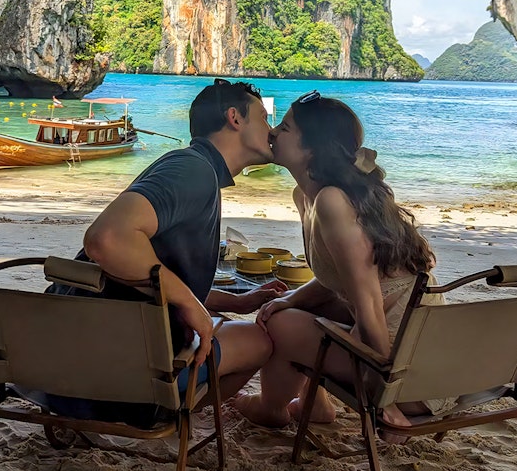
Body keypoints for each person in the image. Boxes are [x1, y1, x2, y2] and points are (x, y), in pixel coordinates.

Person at [43, 78, 286, 426]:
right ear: (235, 118)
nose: (272, 130)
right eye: (264, 118)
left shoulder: (194, 168)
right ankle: (167, 411)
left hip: (64, 364)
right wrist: (191, 305)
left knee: (225, 323)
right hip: (117, 382)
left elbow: (146, 277)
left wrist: (237, 302)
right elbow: (105, 239)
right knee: (259, 342)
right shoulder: (193, 171)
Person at [235, 91, 451, 436]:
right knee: (293, 309)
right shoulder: (309, 196)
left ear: (312, 148)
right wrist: (289, 298)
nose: (273, 132)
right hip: (414, 353)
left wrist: (387, 398)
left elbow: (368, 302)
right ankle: (313, 405)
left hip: (411, 377)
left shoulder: (332, 201)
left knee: (281, 326)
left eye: (286, 127)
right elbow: (344, 276)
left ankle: (271, 409)